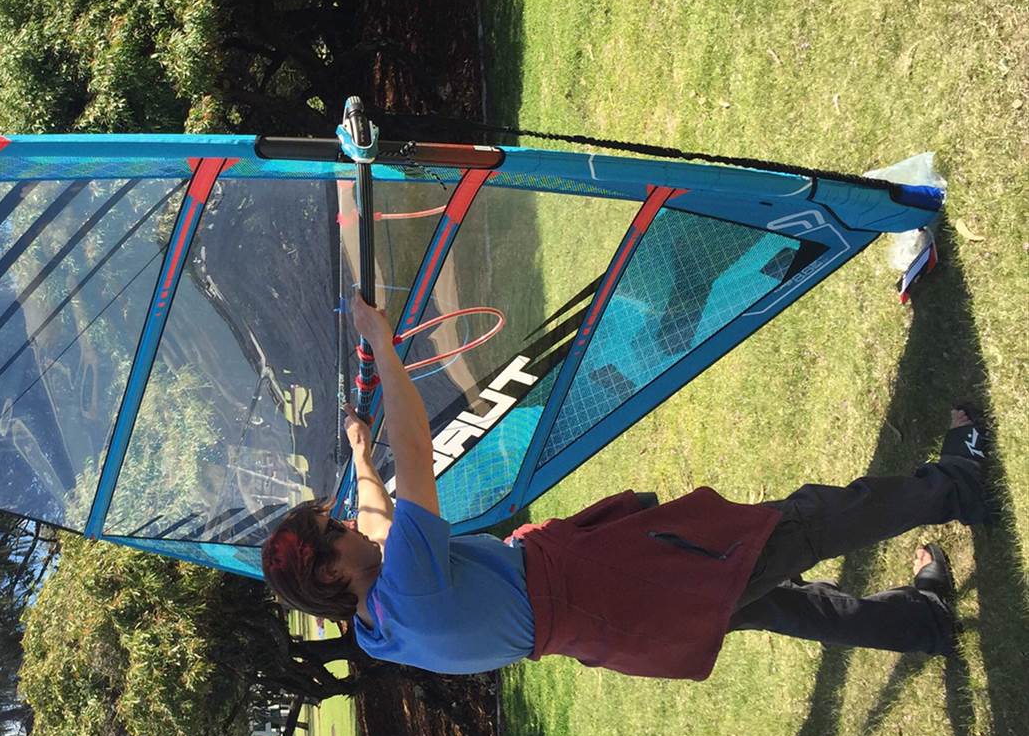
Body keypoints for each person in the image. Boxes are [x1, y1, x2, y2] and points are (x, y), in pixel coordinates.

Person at [260, 293, 990, 680]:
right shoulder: (408, 587)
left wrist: (361, 452)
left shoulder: (378, 628)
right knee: (803, 525)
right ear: (328, 572)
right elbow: (416, 451)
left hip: (608, 616)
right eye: (334, 532)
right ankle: (961, 483)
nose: (349, 524)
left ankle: (921, 623)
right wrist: (383, 346)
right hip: (614, 587)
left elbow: (380, 520)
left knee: (773, 601)